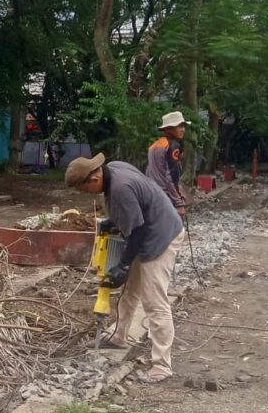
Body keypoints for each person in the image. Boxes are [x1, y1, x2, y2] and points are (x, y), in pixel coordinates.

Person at [67, 152, 184, 383]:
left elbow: (138, 230)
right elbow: (139, 202)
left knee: (154, 300)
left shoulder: (120, 189)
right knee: (130, 290)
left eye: (83, 189)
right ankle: (119, 336)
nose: (85, 194)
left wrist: (122, 264)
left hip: (161, 236)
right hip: (147, 229)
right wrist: (115, 221)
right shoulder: (115, 166)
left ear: (94, 179)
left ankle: (162, 364)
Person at [146, 111, 189, 217]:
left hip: (152, 193)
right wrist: (179, 202)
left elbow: (148, 171)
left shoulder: (153, 146)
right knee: (174, 231)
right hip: (166, 197)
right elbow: (171, 177)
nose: (183, 129)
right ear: (168, 128)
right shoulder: (173, 146)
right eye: (179, 126)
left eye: (183, 126)